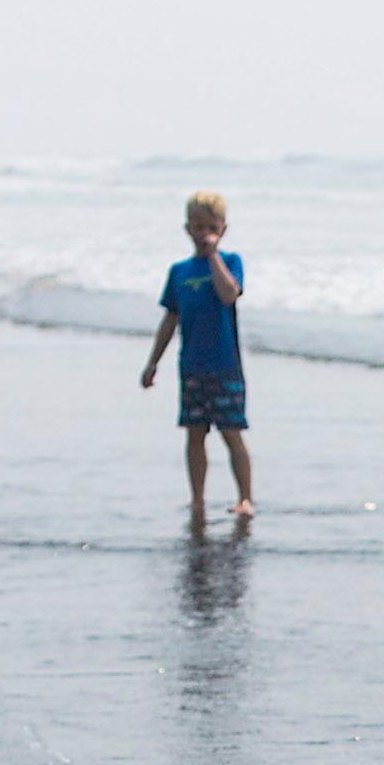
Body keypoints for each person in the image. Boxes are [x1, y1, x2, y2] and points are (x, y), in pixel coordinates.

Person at [138, 191, 255, 519]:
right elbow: (170, 319)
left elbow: (229, 294)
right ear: (187, 228)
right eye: (198, 226)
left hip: (225, 366)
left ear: (223, 229)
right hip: (191, 366)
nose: (204, 233)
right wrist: (152, 363)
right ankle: (198, 499)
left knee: (232, 433)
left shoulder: (231, 262)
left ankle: (245, 497)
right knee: (194, 435)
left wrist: (214, 254)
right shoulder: (179, 271)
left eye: (211, 227)